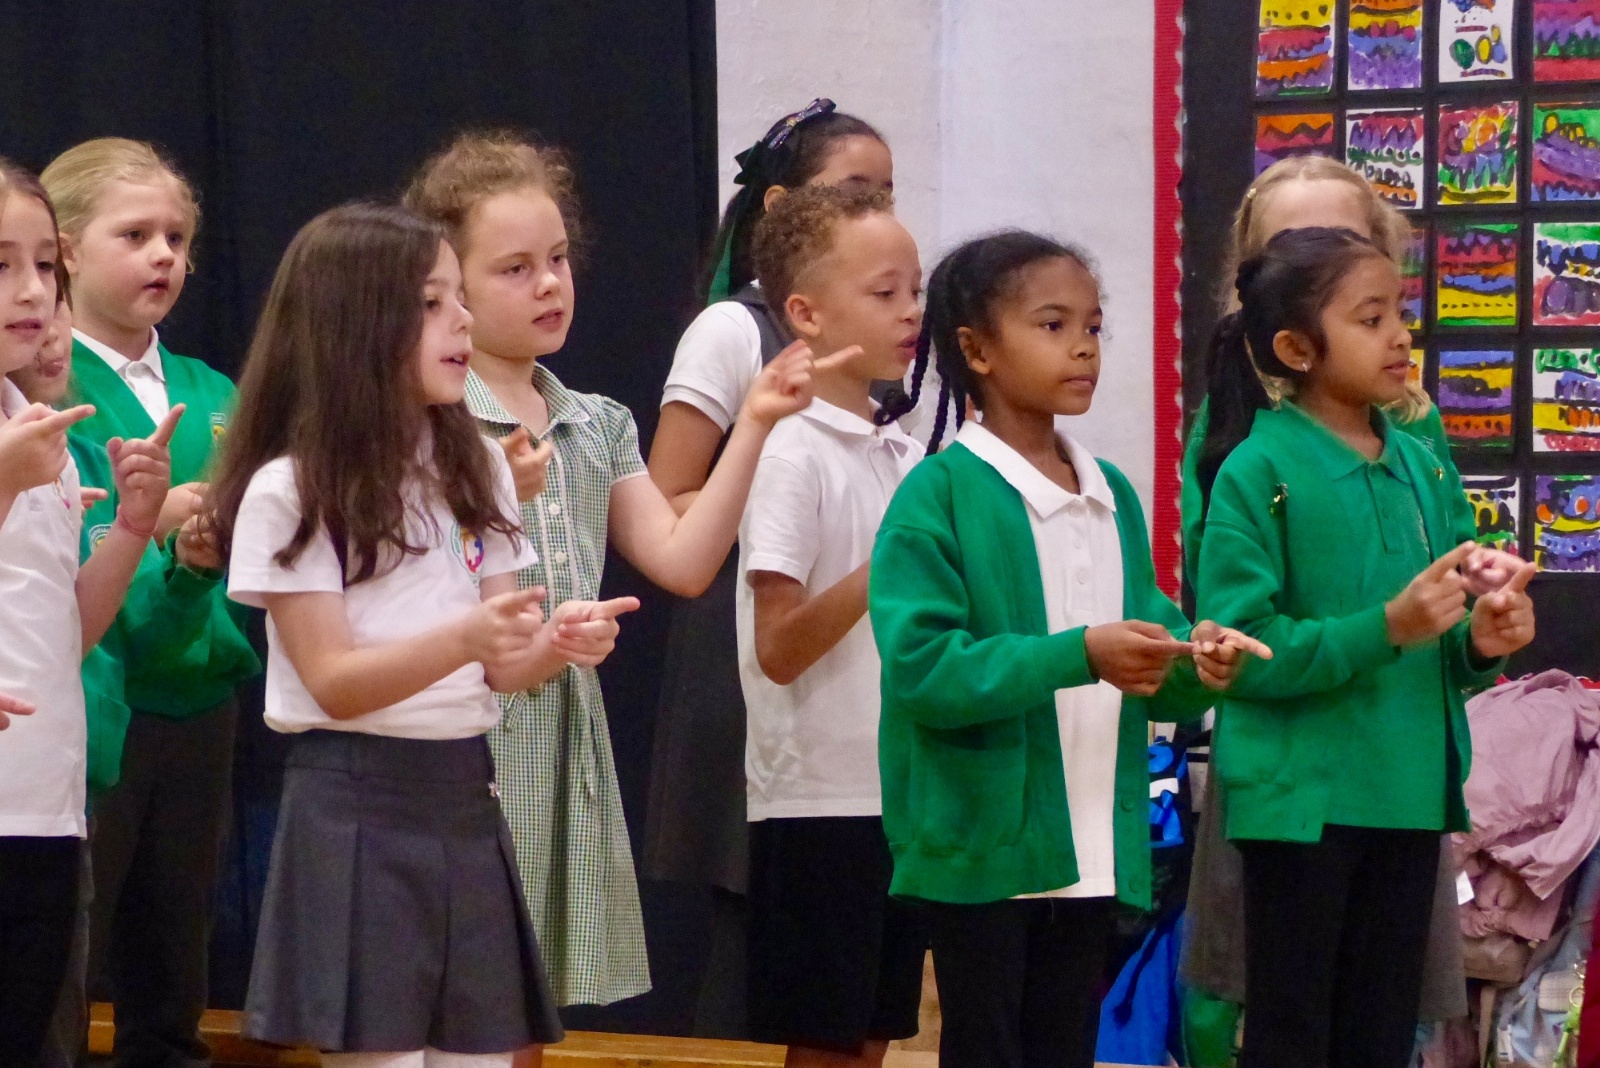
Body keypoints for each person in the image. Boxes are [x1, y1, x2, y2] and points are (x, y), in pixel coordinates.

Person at [403, 131, 837, 1019]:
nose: (549, 284)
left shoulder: (595, 423)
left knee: (536, 1010)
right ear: (449, 287)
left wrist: (754, 424)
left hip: (563, 729)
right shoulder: (430, 422)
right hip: (471, 738)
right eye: (515, 269)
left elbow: (683, 559)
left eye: (558, 259)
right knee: (466, 997)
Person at [210, 202, 639, 1068]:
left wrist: (557, 643)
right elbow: (332, 680)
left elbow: (503, 664)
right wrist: (467, 638)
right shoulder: (291, 489)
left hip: (465, 797)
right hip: (355, 801)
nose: (463, 322)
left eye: (459, 300)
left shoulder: (478, 466)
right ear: (357, 324)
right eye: (433, 303)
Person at [869, 230, 1267, 1068]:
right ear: (977, 350)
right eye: (1053, 325)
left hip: (1094, 851)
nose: (1084, 346)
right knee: (986, 1050)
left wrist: (1200, 666)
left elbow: (1150, 652)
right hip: (982, 854)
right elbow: (922, 671)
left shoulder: (1109, 490)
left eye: (1092, 326)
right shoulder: (937, 495)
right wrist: (1079, 654)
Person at [1177, 155, 1521, 1036]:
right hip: (1299, 803)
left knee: (1380, 1029)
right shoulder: (1255, 465)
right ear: (1291, 341)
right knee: (1292, 1028)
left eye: (1398, 311)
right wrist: (1386, 627)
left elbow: (1445, 634)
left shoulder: (1417, 460)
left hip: (1406, 793)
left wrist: (1482, 638)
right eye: (1372, 319)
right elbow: (1240, 648)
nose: (1400, 336)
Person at [42, 136, 261, 1068]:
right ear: (65, 250)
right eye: (134, 235)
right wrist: (159, 523)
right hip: (96, 700)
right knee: (66, 962)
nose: (164, 255)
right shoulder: (47, 390)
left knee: (174, 965)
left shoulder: (217, 392)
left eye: (177, 237)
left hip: (198, 704)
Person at [737, 184, 924, 1067]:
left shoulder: (903, 453)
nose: (911, 311)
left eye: (916, 290)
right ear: (806, 314)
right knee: (827, 1037)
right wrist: (885, 568)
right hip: (819, 800)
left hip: (899, 791)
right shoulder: (790, 451)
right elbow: (777, 648)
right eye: (885, 292)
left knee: (872, 1034)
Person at [0, 156, 180, 1066]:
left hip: (42, 806)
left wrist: (134, 527)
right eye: (1, 265)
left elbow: (65, 629)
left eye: (46, 265)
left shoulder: (38, 429)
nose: (33, 291)